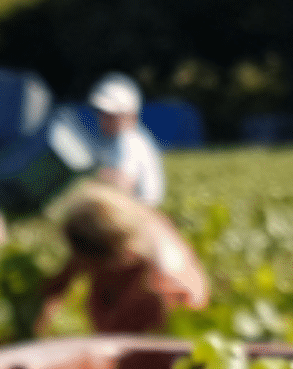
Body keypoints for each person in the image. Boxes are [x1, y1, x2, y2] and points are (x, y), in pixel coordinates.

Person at [35, 180, 209, 335]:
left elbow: (126, 351)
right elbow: (60, 282)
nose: (82, 265)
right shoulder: (106, 221)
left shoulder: (162, 289)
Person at [88, 73, 166, 207]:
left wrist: (89, 179)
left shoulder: (128, 140)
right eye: (101, 113)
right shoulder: (125, 138)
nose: (103, 119)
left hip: (139, 213)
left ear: (129, 115)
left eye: (111, 115)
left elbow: (123, 184)